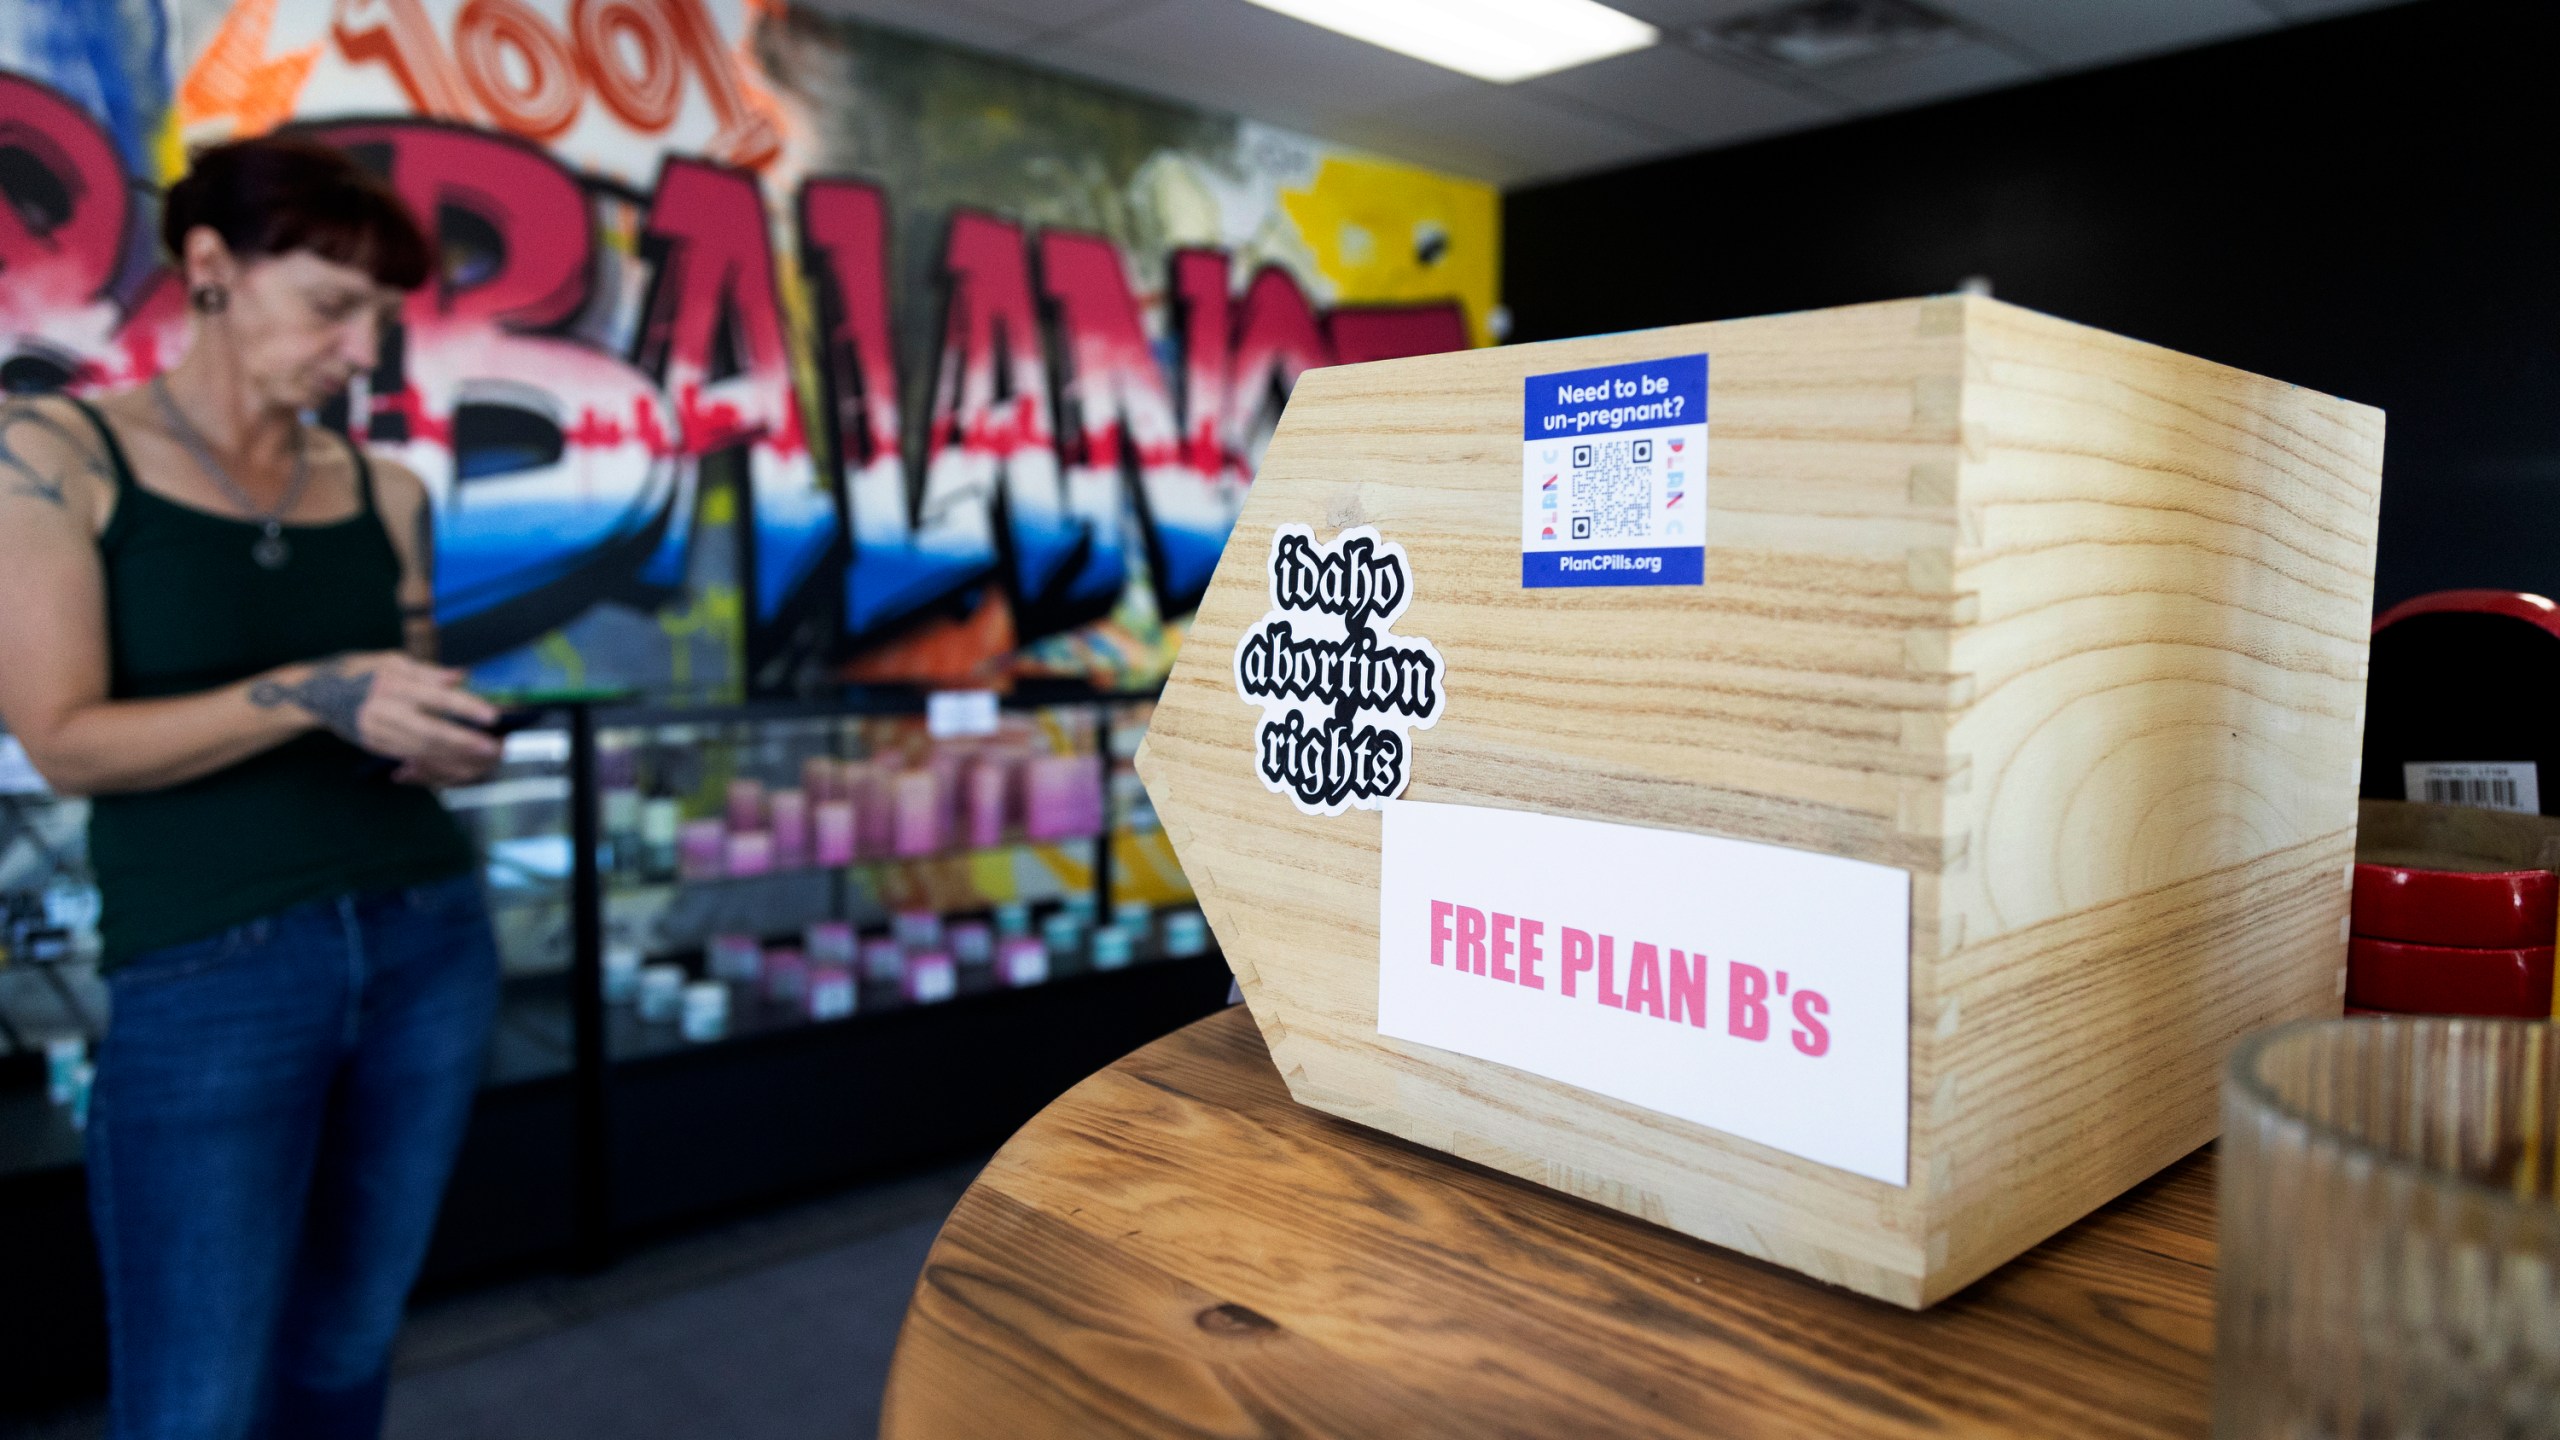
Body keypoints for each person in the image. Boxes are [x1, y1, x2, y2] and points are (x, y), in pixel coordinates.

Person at [0, 135, 506, 1440]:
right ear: (212, 268)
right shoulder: (53, 459)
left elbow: (404, 699)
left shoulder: (387, 490)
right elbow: (62, 739)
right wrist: (315, 687)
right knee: (195, 1395)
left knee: (347, 1340)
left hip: (427, 938)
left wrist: (439, 734)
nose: (361, 350)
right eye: (333, 306)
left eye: (382, 318)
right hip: (207, 969)